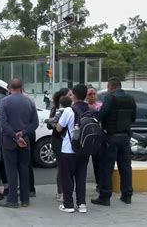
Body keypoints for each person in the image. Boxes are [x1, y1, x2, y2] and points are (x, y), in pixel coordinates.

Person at [91, 77, 137, 206]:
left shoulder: (110, 98)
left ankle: (105, 197)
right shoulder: (131, 98)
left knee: (107, 168)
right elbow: (133, 117)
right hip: (125, 136)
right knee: (126, 167)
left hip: (111, 136)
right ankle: (127, 195)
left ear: (111, 87)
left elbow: (101, 116)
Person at [0, 78, 39, 208]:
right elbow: (35, 123)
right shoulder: (29, 101)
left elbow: (3, 123)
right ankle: (25, 199)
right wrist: (22, 133)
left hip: (9, 141)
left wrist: (15, 135)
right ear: (22, 87)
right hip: (25, 140)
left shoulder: (4, 102)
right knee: (24, 169)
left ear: (10, 88)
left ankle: (12, 200)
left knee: (11, 170)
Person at [55, 84, 90, 213]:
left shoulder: (69, 110)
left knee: (67, 178)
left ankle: (68, 205)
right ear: (86, 95)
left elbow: (59, 128)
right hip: (85, 150)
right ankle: (81, 204)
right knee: (81, 177)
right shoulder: (90, 110)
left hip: (69, 149)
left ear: (73, 96)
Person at [46, 88, 72, 202]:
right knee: (61, 166)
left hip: (68, 140)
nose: (72, 96)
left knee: (68, 167)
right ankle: (60, 191)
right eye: (69, 95)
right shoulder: (56, 110)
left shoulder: (72, 109)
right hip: (58, 140)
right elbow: (49, 126)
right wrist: (56, 122)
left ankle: (67, 190)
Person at [86, 86, 103, 192]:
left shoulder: (101, 106)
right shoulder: (84, 107)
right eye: (90, 94)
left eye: (94, 94)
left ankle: (99, 183)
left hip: (97, 137)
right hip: (86, 138)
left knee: (98, 162)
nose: (92, 96)